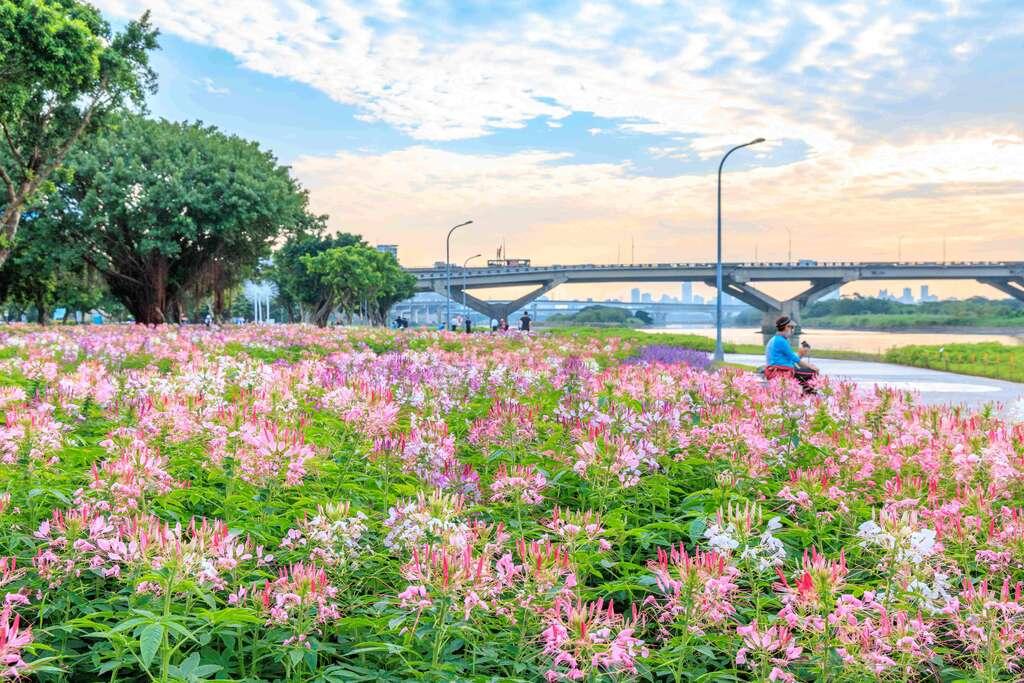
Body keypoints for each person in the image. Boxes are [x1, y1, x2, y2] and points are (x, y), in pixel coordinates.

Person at [764, 316, 818, 393]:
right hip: (780, 370)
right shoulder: (781, 341)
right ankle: (809, 396)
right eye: (791, 327)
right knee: (813, 373)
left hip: (779, 368)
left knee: (806, 372)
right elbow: (794, 359)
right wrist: (811, 366)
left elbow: (791, 358)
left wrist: (801, 354)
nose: (792, 330)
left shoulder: (776, 339)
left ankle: (805, 394)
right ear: (786, 327)